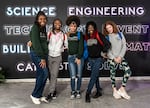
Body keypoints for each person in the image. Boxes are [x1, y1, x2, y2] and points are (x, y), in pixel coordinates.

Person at [103, 20, 132, 100]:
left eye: (110, 27)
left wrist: (120, 57)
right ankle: (114, 90)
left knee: (128, 71)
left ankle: (122, 89)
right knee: (112, 74)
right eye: (107, 28)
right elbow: (107, 50)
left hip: (120, 57)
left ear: (113, 26)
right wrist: (113, 58)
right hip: (112, 58)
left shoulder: (120, 34)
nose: (109, 29)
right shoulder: (106, 37)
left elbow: (124, 46)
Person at [84, 21, 111, 103]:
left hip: (98, 59)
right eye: (89, 27)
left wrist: (103, 52)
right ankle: (98, 90)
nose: (90, 28)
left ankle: (87, 93)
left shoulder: (98, 35)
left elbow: (108, 44)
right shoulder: (86, 37)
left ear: (94, 27)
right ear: (87, 29)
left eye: (92, 27)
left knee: (93, 76)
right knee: (96, 75)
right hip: (90, 59)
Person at [45, 18, 68, 101]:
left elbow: (66, 45)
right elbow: (45, 42)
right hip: (49, 56)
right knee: (50, 75)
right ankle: (53, 90)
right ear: (53, 24)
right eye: (55, 23)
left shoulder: (64, 35)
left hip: (58, 57)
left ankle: (50, 93)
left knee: (54, 74)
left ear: (61, 25)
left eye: (59, 23)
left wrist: (60, 49)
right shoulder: (49, 33)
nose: (57, 24)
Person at [29, 11, 48, 104]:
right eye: (40, 19)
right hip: (37, 54)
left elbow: (43, 42)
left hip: (42, 54)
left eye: (44, 19)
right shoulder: (35, 27)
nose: (43, 20)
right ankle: (34, 95)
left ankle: (39, 94)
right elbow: (36, 44)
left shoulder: (43, 29)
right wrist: (42, 58)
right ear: (37, 20)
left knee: (42, 74)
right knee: (43, 74)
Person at [66, 15, 84, 99]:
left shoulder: (80, 34)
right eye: (71, 25)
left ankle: (78, 90)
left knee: (79, 75)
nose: (73, 27)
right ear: (69, 26)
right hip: (70, 57)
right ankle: (73, 91)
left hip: (78, 57)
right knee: (72, 76)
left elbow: (81, 47)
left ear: (76, 26)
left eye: (74, 26)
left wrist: (79, 57)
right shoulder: (66, 35)